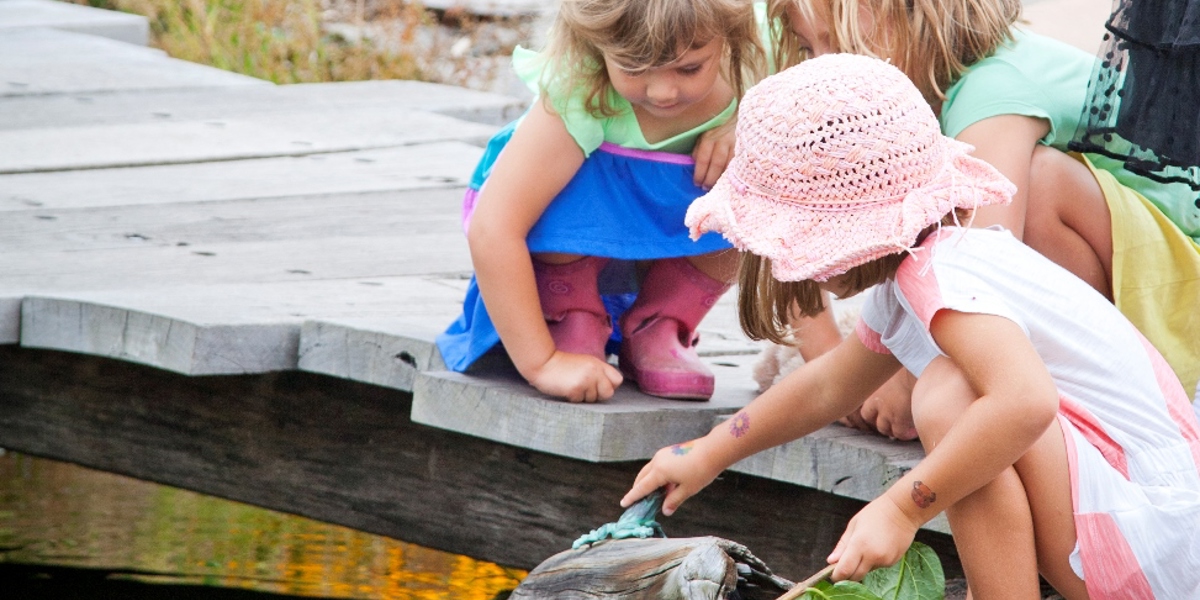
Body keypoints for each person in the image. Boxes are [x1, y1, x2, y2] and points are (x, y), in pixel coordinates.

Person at [622, 54, 1200, 599]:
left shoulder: (941, 273)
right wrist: (707, 453)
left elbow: (1025, 402)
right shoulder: (928, 267)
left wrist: (903, 507)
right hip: (1144, 529)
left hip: (1152, 541)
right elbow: (829, 385)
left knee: (947, 391)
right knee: (952, 388)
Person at [762, 0, 1200, 438]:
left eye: (840, 47)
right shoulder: (926, 87)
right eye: (807, 49)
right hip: (1139, 276)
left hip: (1177, 299)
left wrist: (910, 382)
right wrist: (838, 376)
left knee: (1033, 185)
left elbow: (976, 274)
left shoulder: (992, 91)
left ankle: (1071, 385)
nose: (823, 67)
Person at [435, 0, 800, 403]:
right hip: (567, 248)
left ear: (730, 38)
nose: (663, 91)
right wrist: (542, 364)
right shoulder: (580, 91)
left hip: (663, 240)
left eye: (690, 68)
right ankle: (570, 317)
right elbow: (495, 228)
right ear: (598, 44)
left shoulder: (758, 52)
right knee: (561, 181)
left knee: (751, 188)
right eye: (634, 68)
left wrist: (747, 124)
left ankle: (659, 325)